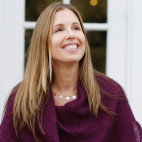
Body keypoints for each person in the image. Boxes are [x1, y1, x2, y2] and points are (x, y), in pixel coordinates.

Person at [0, 2, 141, 142]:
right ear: (43, 43)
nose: (71, 34)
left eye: (76, 28)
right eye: (59, 30)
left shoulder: (111, 94)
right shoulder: (22, 99)